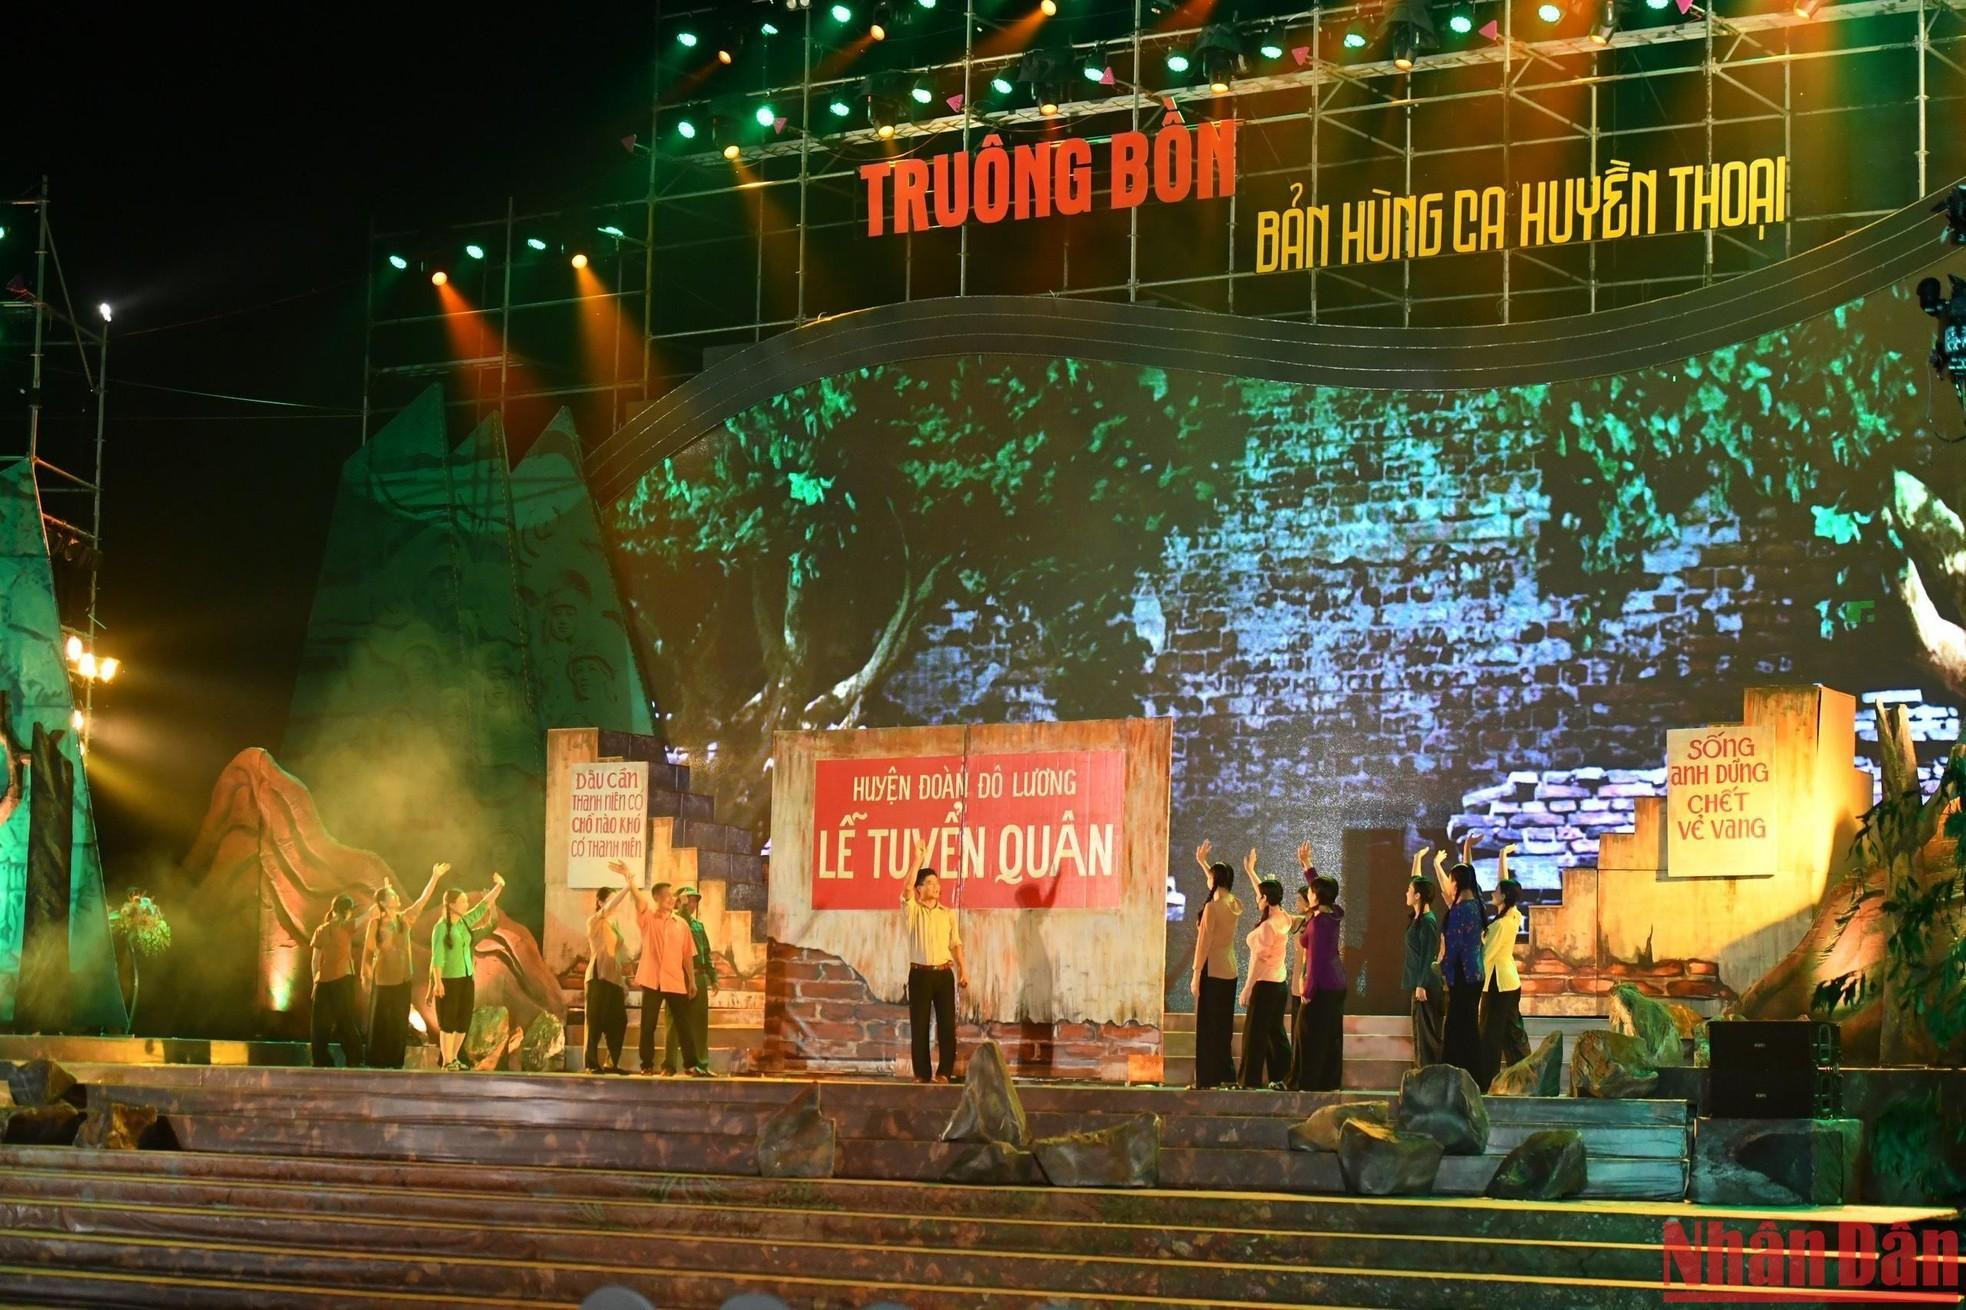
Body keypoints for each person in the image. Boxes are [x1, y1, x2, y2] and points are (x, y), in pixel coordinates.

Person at [612, 860, 705, 1077]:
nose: (672, 900)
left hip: (675, 980)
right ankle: (647, 1064)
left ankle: (691, 1064)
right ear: (657, 898)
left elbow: (687, 957)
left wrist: (691, 981)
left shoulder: (681, 925)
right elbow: (639, 900)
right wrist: (630, 880)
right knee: (648, 1025)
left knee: (683, 1024)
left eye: (673, 897)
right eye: (668, 896)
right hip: (653, 979)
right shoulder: (648, 919)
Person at [360, 862, 449, 1069]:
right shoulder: (376, 924)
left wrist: (434, 877)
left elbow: (422, 900)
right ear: (383, 902)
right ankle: (377, 1060)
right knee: (381, 1021)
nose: (397, 897)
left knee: (399, 1021)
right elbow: (368, 953)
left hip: (402, 979)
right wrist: (365, 977)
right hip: (383, 979)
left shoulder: (405, 919)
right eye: (392, 895)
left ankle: (394, 1061)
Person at [428, 873, 506, 1070]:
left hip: (466, 977)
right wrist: (437, 982)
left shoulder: (463, 922)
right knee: (448, 1022)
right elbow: (437, 957)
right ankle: (447, 1061)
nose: (466, 904)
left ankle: (453, 1058)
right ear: (451, 905)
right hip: (448, 979)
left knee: (463, 1021)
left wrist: (499, 887)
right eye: (462, 901)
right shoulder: (441, 928)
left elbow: (483, 907)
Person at [901, 866, 969, 1083]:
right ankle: (921, 1073)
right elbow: (906, 888)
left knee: (947, 1025)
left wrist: (963, 970)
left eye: (937, 883)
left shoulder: (947, 914)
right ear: (919, 888)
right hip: (919, 974)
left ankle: (944, 1073)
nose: (936, 886)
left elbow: (956, 944)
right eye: (929, 882)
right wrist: (918, 858)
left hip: (943, 973)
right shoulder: (912, 910)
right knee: (919, 1025)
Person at [1189, 841, 1245, 1089]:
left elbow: (1204, 943)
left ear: (1216, 879)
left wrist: (1195, 973)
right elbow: (1217, 887)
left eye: (1210, 876)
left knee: (1207, 1026)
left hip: (1211, 971)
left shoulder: (1212, 908)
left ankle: (1206, 1079)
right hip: (1229, 970)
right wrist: (1204, 864)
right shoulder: (1234, 903)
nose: (1207, 880)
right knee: (1222, 1026)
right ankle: (1224, 1074)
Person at [311, 892, 381, 1068]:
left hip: (324, 982)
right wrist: (379, 900)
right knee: (345, 1020)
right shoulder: (346, 926)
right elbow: (369, 915)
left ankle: (321, 1060)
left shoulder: (322, 929)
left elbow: (314, 961)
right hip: (342, 980)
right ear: (347, 911)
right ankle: (355, 1058)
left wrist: (315, 981)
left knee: (320, 1025)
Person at [1479, 843, 1530, 1088]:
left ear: (1504, 897)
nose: (1494, 890)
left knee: (1491, 1034)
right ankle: (1525, 1073)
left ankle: (1486, 1080)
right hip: (1510, 981)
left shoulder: (1501, 924)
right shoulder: (1513, 916)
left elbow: (1486, 957)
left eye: (1497, 890)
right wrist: (1501, 856)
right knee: (1513, 1031)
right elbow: (1505, 882)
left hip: (1499, 984)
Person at [1292, 869, 1347, 1091]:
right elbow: (1325, 892)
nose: (1309, 894)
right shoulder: (1334, 914)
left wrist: (1307, 990)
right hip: (1337, 984)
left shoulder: (1317, 924)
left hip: (1322, 985)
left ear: (1318, 896)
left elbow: (1315, 962)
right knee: (1330, 1034)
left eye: (1312, 892)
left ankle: (1308, 1081)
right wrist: (1307, 869)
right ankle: (1328, 1082)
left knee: (1309, 1035)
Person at [1238, 874, 1294, 1088]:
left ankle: (1249, 1081)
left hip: (1265, 985)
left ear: (1266, 899)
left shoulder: (1268, 926)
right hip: (1278, 985)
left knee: (1254, 1036)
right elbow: (1264, 893)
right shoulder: (1284, 917)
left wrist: (1247, 988)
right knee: (1274, 1033)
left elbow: (1260, 960)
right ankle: (1281, 1077)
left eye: (1259, 896)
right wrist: (1251, 871)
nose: (1256, 898)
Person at [1437, 845, 1487, 1082]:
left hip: (1462, 976)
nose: (1448, 885)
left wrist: (1444, 972)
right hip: (1475, 974)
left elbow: (1454, 949)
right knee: (1468, 1027)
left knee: (1457, 1029)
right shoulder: (1477, 904)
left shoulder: (1459, 911)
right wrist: (1467, 848)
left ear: (1456, 883)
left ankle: (1457, 1078)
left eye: (1450, 880)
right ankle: (1474, 1076)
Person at [661, 885, 717, 1076]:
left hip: (698, 976)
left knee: (699, 1024)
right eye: (688, 900)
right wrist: (680, 904)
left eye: (694, 901)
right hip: (676, 976)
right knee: (673, 1023)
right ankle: (669, 1065)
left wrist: (713, 977)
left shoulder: (698, 926)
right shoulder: (672, 922)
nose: (692, 904)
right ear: (679, 902)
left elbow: (705, 953)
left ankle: (701, 1065)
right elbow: (681, 918)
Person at [584, 884, 633, 1074]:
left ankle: (611, 1063)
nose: (615, 904)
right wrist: (628, 887)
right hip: (598, 975)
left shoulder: (614, 926)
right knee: (595, 1021)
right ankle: (591, 1063)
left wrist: (623, 982)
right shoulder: (594, 921)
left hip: (614, 978)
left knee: (619, 1021)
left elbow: (618, 955)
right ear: (600, 902)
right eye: (610, 899)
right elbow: (609, 908)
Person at [1403, 848, 1445, 1069]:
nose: (1406, 893)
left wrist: (1421, 985)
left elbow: (1429, 955)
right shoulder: (1419, 917)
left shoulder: (1428, 921)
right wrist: (1417, 859)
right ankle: (1422, 1073)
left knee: (1427, 1033)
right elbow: (1415, 880)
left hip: (1426, 984)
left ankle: (1429, 1074)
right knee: (1420, 1031)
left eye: (1410, 891)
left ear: (1418, 895)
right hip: (1420, 983)